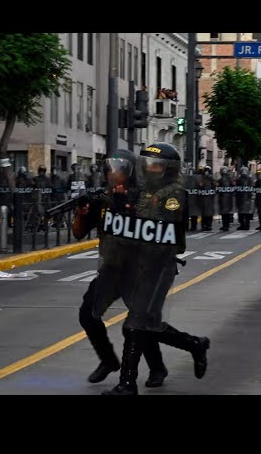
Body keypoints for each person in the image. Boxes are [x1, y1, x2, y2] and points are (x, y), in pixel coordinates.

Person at [100, 143, 210, 395]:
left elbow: (160, 228)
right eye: (147, 164)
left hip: (159, 266)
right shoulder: (142, 192)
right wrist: (117, 206)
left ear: (168, 170)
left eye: (156, 165)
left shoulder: (174, 194)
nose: (150, 169)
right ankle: (195, 345)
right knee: (147, 325)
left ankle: (127, 384)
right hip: (137, 265)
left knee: (134, 324)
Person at [72, 149, 169, 388]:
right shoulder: (102, 199)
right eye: (110, 168)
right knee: (88, 315)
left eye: (118, 169)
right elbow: (78, 233)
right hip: (110, 268)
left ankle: (157, 368)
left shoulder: (143, 197)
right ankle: (108, 360)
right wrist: (81, 214)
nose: (112, 173)